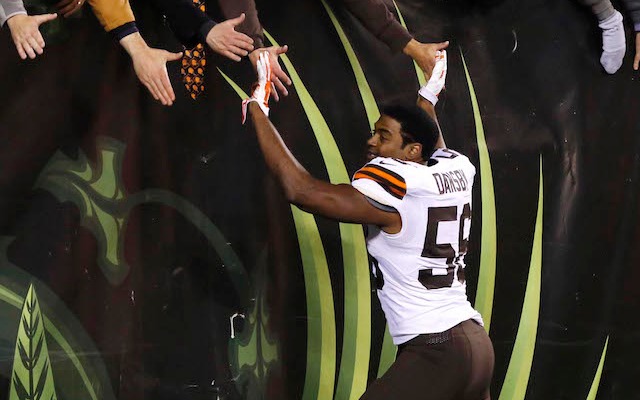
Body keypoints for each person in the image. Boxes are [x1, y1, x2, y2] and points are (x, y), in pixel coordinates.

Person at [243, 51, 494, 399]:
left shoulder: (399, 186)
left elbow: (300, 190)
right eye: (374, 133)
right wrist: (428, 98)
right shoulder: (453, 169)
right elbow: (430, 140)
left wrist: (258, 108)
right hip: (475, 345)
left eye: (383, 136)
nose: (371, 142)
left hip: (438, 350)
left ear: (410, 152)